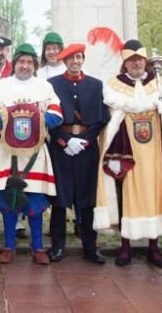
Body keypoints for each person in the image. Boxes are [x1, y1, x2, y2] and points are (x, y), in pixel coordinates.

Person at [95, 39, 162, 268]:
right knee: (127, 193)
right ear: (125, 63)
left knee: (154, 192)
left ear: (146, 61)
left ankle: (153, 247)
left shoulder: (160, 83)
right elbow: (122, 106)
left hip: (153, 150)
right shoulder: (113, 85)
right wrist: (149, 104)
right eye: (132, 60)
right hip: (128, 149)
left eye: (140, 60)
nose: (136, 64)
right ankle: (125, 246)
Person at [0, 43, 63, 264]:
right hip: (8, 151)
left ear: (34, 65)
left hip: (36, 153)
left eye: (29, 62)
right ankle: (9, 246)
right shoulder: (1, 86)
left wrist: (33, 121)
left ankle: (37, 247)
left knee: (35, 200)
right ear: (14, 64)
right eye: (21, 62)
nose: (25, 66)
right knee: (9, 200)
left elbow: (56, 114)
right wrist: (14, 123)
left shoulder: (44, 87)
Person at [46, 43, 109, 264]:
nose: (75, 62)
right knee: (60, 200)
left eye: (79, 58)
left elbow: (101, 118)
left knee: (87, 199)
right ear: (64, 61)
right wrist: (64, 141)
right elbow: (48, 118)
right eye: (71, 59)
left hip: (86, 148)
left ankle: (90, 247)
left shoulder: (95, 85)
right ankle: (58, 246)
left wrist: (85, 140)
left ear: (83, 59)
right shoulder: (52, 84)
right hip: (61, 147)